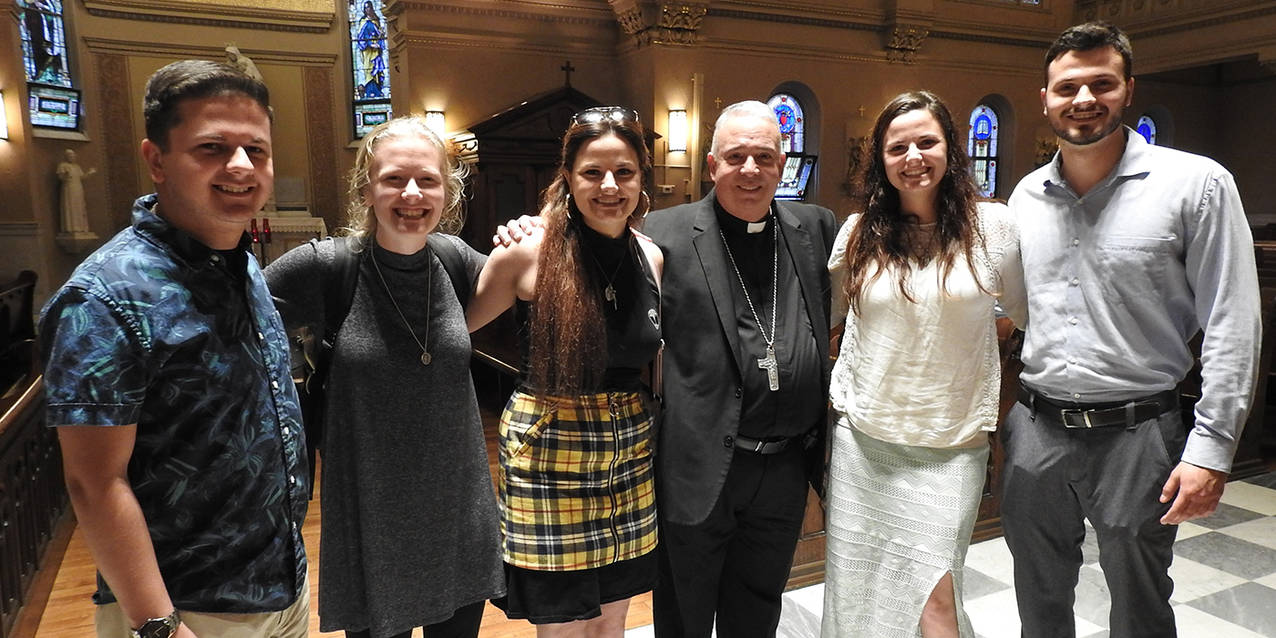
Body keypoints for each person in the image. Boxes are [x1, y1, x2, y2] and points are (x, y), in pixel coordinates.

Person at [1002, 22, 1261, 638]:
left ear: (1128, 90)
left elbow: (1233, 319)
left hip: (1140, 431)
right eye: (1068, 87)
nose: (1084, 99)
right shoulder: (1025, 195)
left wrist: (1211, 447)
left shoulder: (1195, 183)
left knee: (1140, 602)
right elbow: (1009, 309)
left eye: (1102, 84)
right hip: (1037, 426)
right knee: (1037, 595)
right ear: (1045, 97)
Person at [39, 60, 309, 638]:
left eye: (256, 150)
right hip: (186, 609)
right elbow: (94, 482)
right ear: (156, 159)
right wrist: (156, 623)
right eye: (212, 147)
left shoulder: (241, 265)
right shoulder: (104, 296)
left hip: (278, 587)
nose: (240, 166)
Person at [264, 115, 503, 638]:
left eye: (428, 180)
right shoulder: (325, 266)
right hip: (371, 509)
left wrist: (528, 233)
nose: (412, 194)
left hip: (456, 507)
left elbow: (529, 280)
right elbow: (233, 317)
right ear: (366, 188)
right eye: (394, 178)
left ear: (447, 191)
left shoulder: (455, 258)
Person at [823, 91, 1026, 638]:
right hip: (864, 440)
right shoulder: (858, 233)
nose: (913, 156)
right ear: (881, 159)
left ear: (950, 150)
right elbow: (835, 320)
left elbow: (1030, 313)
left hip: (950, 440)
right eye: (897, 146)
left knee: (935, 594)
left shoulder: (994, 228)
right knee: (859, 590)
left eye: (926, 142)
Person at [466, 106, 664, 637]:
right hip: (549, 448)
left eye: (624, 172)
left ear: (642, 179)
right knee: (562, 626)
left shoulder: (651, 256)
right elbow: (454, 331)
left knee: (612, 619)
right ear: (569, 177)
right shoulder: (530, 250)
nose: (609, 186)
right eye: (592, 172)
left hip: (628, 451)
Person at [644, 101, 836, 638]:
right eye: (735, 157)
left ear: (782, 163)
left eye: (764, 157)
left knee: (758, 609)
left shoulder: (814, 228)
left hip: (783, 469)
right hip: (699, 464)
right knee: (684, 612)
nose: (750, 170)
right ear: (711, 166)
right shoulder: (663, 233)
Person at [56, 148, 96, 234]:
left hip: (78, 188)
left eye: (73, 155)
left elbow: (82, 177)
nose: (72, 157)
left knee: (79, 206)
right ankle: (71, 228)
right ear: (66, 157)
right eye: (70, 155)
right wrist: (65, 175)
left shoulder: (77, 167)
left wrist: (89, 173)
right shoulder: (63, 165)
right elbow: (61, 177)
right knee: (70, 206)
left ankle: (80, 227)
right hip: (69, 189)